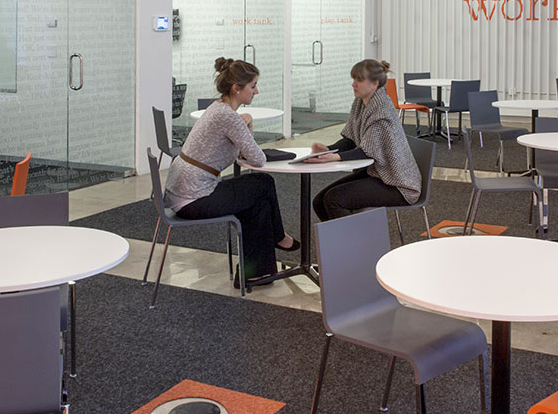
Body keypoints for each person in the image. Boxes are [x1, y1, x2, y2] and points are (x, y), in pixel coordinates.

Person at [164, 57, 296, 283]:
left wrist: (245, 125)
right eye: (253, 86)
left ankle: (256, 274)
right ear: (237, 88)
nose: (256, 91)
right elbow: (258, 159)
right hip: (193, 199)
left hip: (183, 193)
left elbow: (242, 153)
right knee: (264, 182)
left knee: (259, 202)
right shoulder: (228, 117)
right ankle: (278, 238)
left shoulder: (218, 109)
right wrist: (246, 125)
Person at [307, 60, 422, 221]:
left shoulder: (382, 110)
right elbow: (351, 139)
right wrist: (328, 149)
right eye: (353, 79)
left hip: (398, 184)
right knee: (319, 202)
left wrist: (335, 157)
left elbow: (367, 151)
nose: (353, 84)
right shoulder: (360, 103)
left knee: (334, 200)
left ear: (374, 84)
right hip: (377, 174)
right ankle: (340, 237)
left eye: (359, 80)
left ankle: (352, 238)